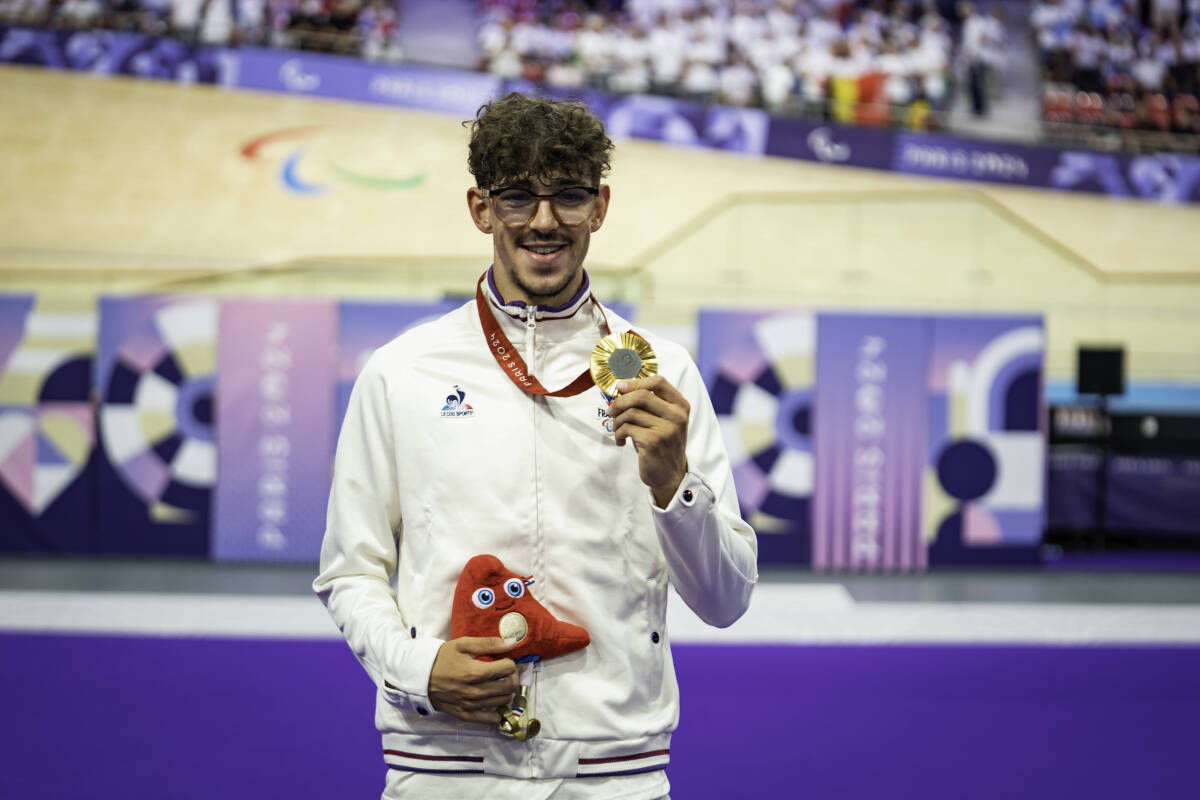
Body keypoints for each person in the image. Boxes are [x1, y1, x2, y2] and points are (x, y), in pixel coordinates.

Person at [314, 92, 759, 800]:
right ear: (480, 209)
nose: (544, 222)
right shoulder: (401, 370)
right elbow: (350, 570)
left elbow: (727, 598)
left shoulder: (662, 373)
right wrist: (418, 669)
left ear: (601, 206)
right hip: (445, 766)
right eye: (518, 197)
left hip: (614, 771)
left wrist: (676, 485)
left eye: (569, 196)